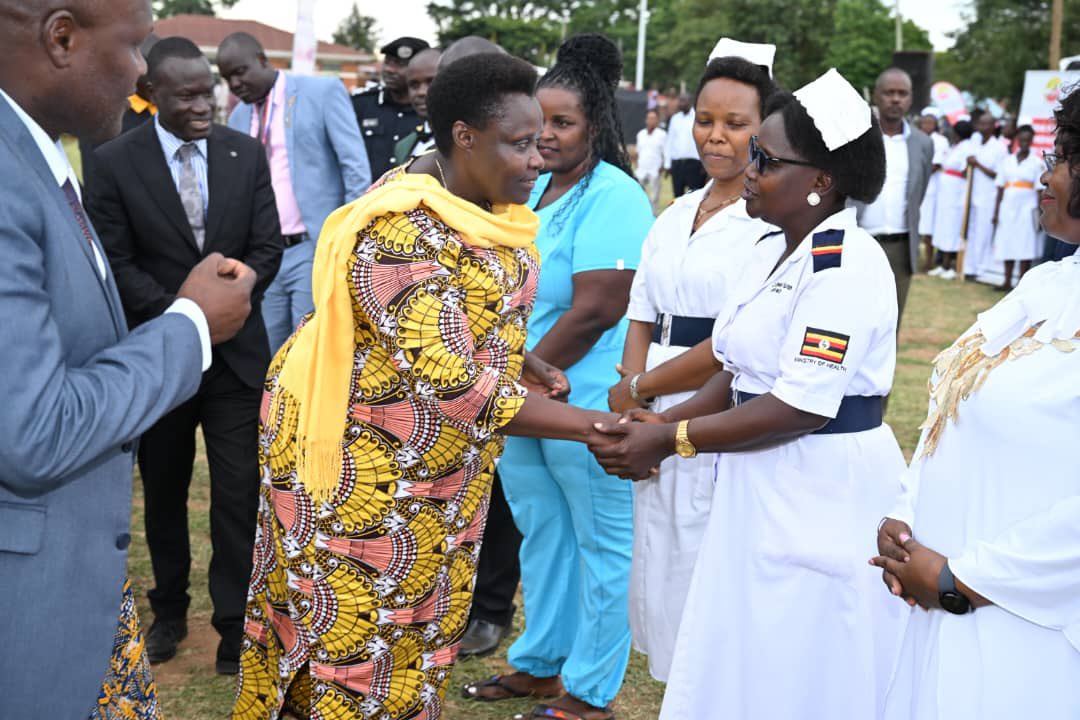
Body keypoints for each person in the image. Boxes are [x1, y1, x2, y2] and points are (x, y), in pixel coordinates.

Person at [230, 51, 619, 720]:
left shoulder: (475, 201)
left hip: (436, 470)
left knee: (414, 633)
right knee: (355, 641)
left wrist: (517, 356)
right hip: (363, 471)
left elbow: (455, 315)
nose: (537, 159)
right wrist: (592, 426)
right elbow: (458, 385)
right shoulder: (402, 229)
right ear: (464, 136)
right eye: (520, 144)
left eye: (540, 142)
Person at [591, 68, 907, 720]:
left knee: (804, 655)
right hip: (759, 478)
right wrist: (661, 424)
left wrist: (670, 436)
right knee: (746, 650)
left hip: (816, 483)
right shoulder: (775, 252)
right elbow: (734, 371)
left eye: (766, 157)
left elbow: (799, 404)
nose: (749, 167)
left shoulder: (845, 263)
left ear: (821, 180)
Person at [0, 1, 258, 717]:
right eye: (137, 46)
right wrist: (192, 324)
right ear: (61, 37)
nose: (143, 70)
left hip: (77, 587)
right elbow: (34, 432)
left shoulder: (36, 156)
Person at [462, 34, 655, 720]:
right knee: (542, 530)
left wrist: (526, 377)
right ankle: (541, 662)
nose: (546, 137)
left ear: (594, 127)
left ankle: (591, 691)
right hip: (521, 396)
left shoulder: (617, 196)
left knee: (602, 543)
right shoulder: (532, 186)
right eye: (538, 123)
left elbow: (598, 307)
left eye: (563, 123)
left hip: (585, 397)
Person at [873, 85, 1080, 720]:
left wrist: (961, 580)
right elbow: (952, 408)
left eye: (1067, 157)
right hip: (943, 607)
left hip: (1027, 629)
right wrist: (906, 521)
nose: (1048, 171)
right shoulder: (1047, 282)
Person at [84, 37, 283, 676]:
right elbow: (114, 263)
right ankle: (168, 610)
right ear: (153, 96)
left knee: (237, 491)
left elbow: (268, 245)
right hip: (161, 357)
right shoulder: (114, 162)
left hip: (237, 362)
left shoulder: (243, 152)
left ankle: (234, 622)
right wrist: (188, 314)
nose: (205, 104)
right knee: (164, 490)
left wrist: (242, 287)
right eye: (189, 95)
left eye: (210, 92)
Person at [607, 45, 777, 682]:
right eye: (707, 119)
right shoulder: (677, 211)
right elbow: (642, 308)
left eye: (736, 123)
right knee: (660, 545)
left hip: (713, 398)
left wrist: (647, 388)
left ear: (766, 128)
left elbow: (732, 341)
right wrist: (629, 394)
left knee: (704, 552)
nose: (717, 136)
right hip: (651, 396)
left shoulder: (767, 224)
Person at [218, 31, 371, 353]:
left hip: (312, 246)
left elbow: (354, 167)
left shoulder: (322, 91)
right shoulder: (238, 116)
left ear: (262, 60)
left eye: (240, 72)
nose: (234, 84)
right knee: (271, 354)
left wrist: (344, 239)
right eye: (226, 78)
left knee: (309, 349)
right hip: (264, 254)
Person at [856, 68, 934, 324]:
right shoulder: (857, 137)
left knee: (890, 322)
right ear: (876, 96)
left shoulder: (922, 143)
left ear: (911, 98)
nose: (896, 99)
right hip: (859, 242)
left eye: (902, 93)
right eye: (889, 93)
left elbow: (918, 194)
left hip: (900, 249)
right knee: (850, 317)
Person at [352, 36, 429, 178]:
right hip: (367, 197)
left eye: (400, 64)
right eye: (387, 62)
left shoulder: (431, 110)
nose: (389, 69)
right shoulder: (360, 104)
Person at [991, 124, 1042, 290]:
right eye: (1022, 139)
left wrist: (1041, 214)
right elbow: (999, 187)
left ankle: (1021, 284)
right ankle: (1006, 281)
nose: (1024, 142)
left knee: (1025, 244)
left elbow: (1039, 191)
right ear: (1017, 140)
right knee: (1007, 242)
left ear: (1032, 140)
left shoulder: (1036, 163)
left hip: (1027, 209)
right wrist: (996, 211)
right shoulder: (1007, 161)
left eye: (1028, 140)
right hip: (1007, 207)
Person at [928, 120, 976, 280]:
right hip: (945, 193)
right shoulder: (955, 146)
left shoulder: (967, 147)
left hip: (955, 193)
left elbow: (965, 171)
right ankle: (942, 264)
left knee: (952, 227)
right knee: (942, 225)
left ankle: (951, 265)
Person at [965, 110, 1008, 279]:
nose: (982, 127)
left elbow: (998, 175)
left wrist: (978, 164)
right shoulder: (975, 143)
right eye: (980, 123)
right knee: (973, 231)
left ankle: (981, 269)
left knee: (984, 233)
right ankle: (970, 267)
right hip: (972, 194)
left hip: (988, 197)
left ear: (993, 126)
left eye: (986, 123)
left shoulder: (999, 148)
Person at [392, 47, 441, 166]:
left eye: (431, 82)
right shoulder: (404, 146)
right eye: (414, 85)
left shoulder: (470, 140)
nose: (421, 92)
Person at [917, 109, 950, 271]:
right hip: (915, 187)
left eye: (930, 123)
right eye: (924, 122)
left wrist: (918, 173)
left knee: (928, 227)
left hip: (932, 189)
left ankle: (929, 262)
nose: (926, 125)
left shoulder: (941, 141)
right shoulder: (915, 138)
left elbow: (937, 164)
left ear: (935, 124)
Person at [665, 92, 707, 196]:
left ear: (690, 102)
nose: (680, 103)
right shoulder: (675, 119)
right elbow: (670, 141)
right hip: (677, 165)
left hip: (694, 165)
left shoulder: (698, 118)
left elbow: (704, 140)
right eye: (680, 100)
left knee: (695, 196)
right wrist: (667, 164)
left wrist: (705, 163)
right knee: (677, 196)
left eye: (683, 100)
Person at [634, 108, 667, 214]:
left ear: (657, 120)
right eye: (649, 118)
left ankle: (653, 216)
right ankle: (640, 213)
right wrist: (636, 163)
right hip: (641, 169)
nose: (651, 120)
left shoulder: (662, 135)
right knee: (638, 193)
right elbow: (638, 151)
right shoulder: (640, 134)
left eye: (654, 118)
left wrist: (663, 167)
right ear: (646, 120)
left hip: (655, 169)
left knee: (654, 196)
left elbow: (666, 152)